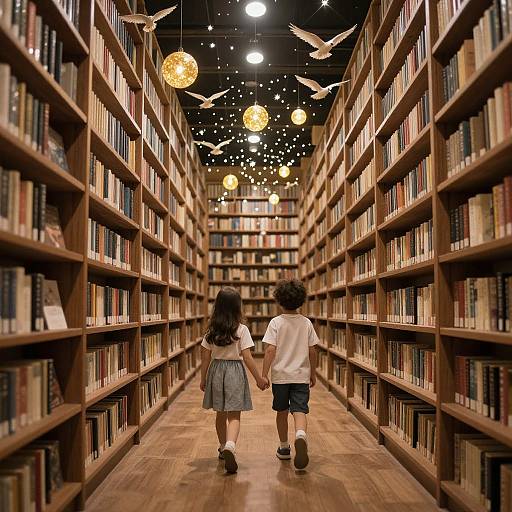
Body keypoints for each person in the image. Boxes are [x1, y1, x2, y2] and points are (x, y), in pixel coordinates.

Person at [200, 287, 269, 473]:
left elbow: (205, 357)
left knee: (220, 413)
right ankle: (231, 444)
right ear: (238, 307)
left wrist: (203, 378)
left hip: (216, 371)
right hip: (235, 372)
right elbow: (247, 357)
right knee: (234, 415)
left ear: (217, 307)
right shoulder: (242, 329)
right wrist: (259, 379)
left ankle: (223, 447)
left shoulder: (211, 330)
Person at [261, 279, 319, 470]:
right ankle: (300, 434)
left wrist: (264, 373)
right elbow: (312, 351)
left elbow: (270, 350)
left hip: (281, 377)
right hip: (301, 375)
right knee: (300, 409)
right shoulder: (306, 323)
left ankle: (284, 447)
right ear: (301, 300)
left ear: (279, 300)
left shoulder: (275, 322)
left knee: (282, 411)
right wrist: (313, 373)